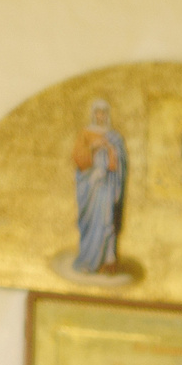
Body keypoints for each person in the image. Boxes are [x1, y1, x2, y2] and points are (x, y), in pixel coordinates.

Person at [70, 98, 126, 277]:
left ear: (107, 115)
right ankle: (89, 260)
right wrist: (93, 147)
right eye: (98, 112)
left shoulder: (114, 136)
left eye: (103, 113)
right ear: (93, 114)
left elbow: (121, 160)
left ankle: (107, 260)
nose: (100, 116)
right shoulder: (86, 133)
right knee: (92, 221)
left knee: (107, 220)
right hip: (91, 184)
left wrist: (112, 151)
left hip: (107, 184)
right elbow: (78, 157)